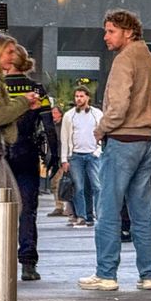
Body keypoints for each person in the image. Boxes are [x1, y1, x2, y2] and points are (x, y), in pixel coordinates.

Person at [79, 10, 151, 291]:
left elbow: (118, 105)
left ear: (128, 32)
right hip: (146, 139)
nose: (106, 36)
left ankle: (106, 274)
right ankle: (148, 275)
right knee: (141, 212)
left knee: (108, 209)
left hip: (122, 139)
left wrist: (101, 128)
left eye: (111, 31)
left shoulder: (124, 59)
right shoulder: (148, 59)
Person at [0, 43, 58, 281]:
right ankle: (28, 263)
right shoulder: (36, 88)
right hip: (28, 151)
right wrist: (54, 154)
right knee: (27, 209)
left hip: (0, 152)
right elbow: (48, 126)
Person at [60, 86, 103, 227]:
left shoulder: (97, 114)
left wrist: (98, 151)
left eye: (81, 96)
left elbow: (103, 133)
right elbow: (64, 138)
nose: (78, 99)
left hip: (93, 154)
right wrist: (64, 159)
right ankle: (82, 216)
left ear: (88, 97)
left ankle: (98, 215)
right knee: (79, 187)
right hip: (76, 156)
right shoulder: (69, 115)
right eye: (76, 96)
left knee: (96, 186)